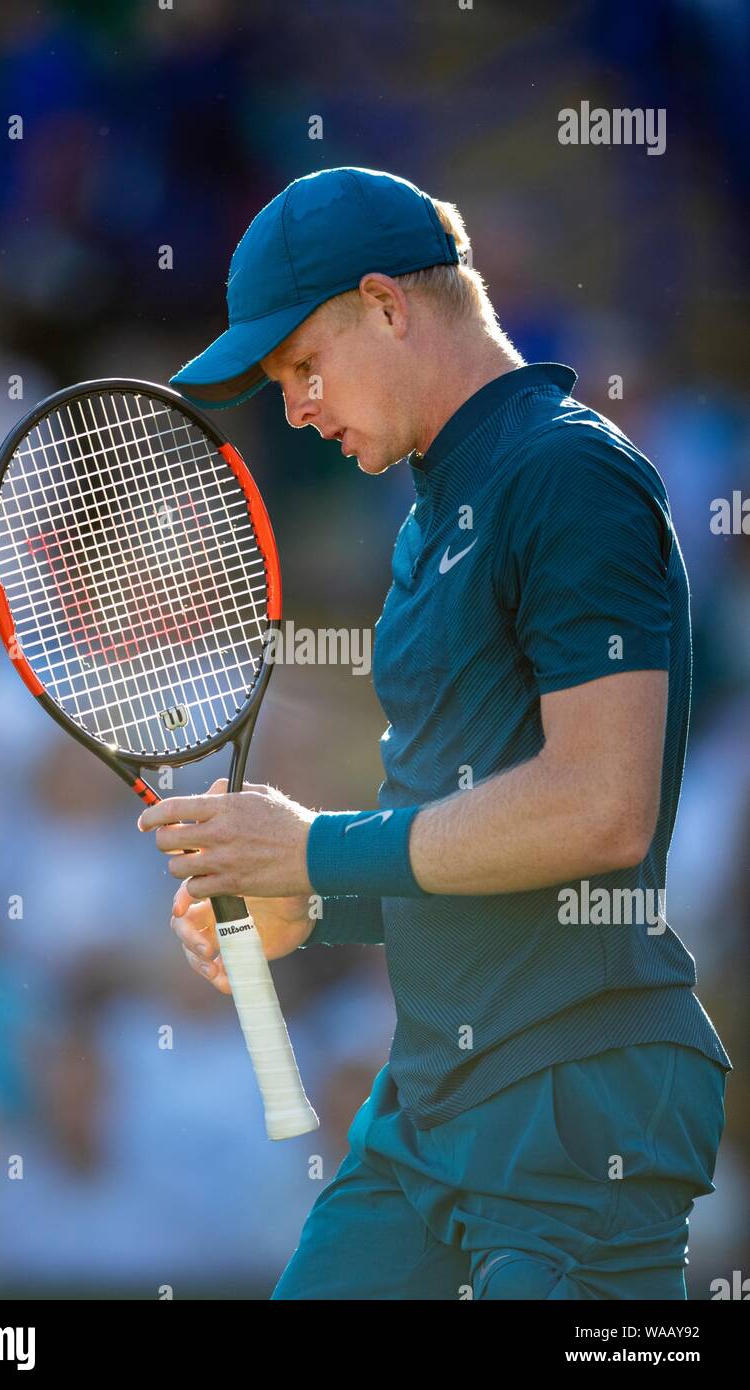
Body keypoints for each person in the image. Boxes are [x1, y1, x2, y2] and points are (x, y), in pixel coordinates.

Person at [138, 167, 732, 1300]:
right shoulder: (428, 515)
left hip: (574, 1104)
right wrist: (308, 901)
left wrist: (312, 850)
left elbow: (598, 808)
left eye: (303, 364)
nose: (296, 406)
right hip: (428, 1111)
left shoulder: (566, 473)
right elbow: (470, 836)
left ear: (387, 304)